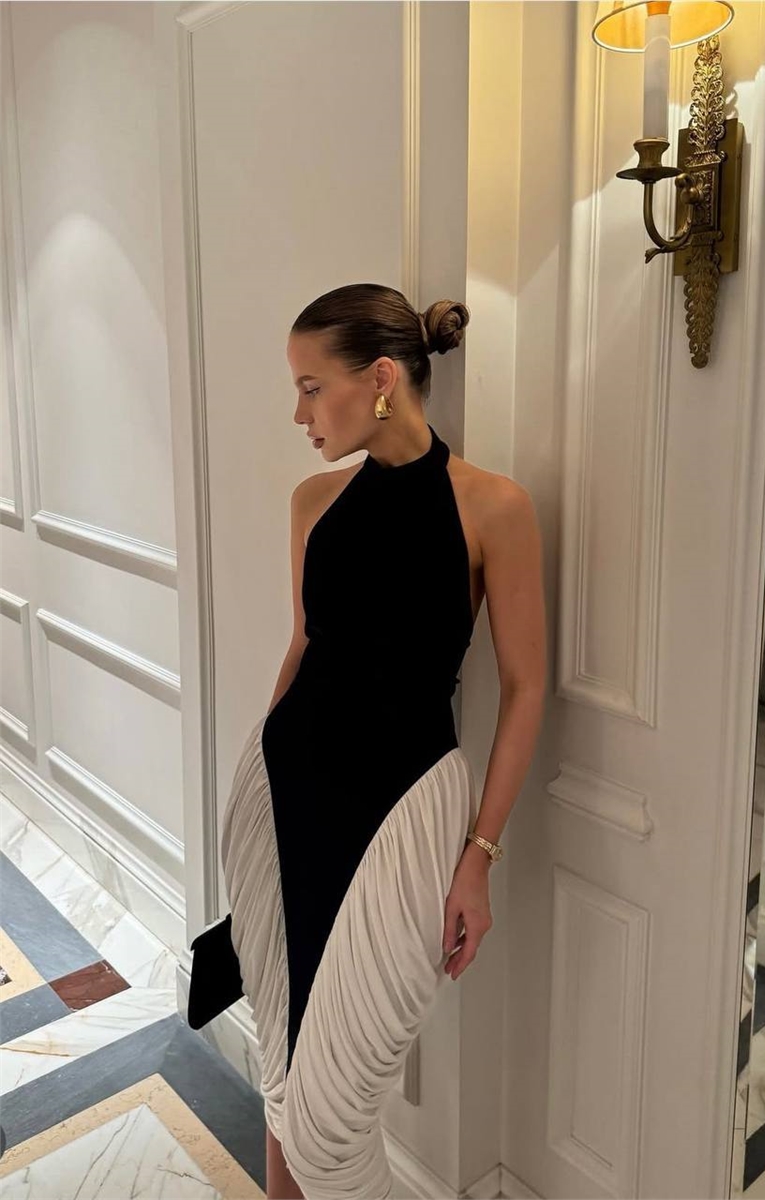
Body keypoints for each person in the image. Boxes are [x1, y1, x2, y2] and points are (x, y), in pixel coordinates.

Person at [220, 282, 547, 1200]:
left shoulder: (493, 507)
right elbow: (304, 645)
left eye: (310, 388)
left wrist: (478, 858)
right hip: (285, 796)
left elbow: (526, 688)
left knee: (333, 1119)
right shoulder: (311, 502)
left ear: (379, 380)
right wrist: (260, 785)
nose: (299, 415)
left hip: (403, 813)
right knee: (282, 1059)